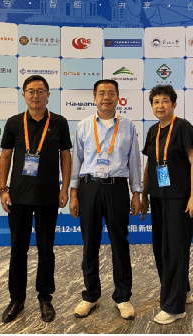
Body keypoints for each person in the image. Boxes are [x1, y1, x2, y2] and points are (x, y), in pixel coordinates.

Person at [0, 75, 72, 323]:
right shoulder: (14, 123)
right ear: (24, 95)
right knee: (18, 250)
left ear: (48, 95)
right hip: (18, 196)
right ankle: (16, 299)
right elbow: (5, 156)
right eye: (31, 91)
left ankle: (45, 298)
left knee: (46, 250)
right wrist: (3, 189)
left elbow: (65, 156)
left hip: (48, 196)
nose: (36, 95)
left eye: (41, 91)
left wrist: (64, 188)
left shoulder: (59, 122)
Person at [69, 79, 142, 321]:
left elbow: (134, 161)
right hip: (89, 187)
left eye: (111, 93)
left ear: (118, 98)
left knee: (119, 242)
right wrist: (73, 193)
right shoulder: (83, 126)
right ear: (94, 98)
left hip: (117, 188)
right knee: (89, 242)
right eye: (101, 93)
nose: (106, 97)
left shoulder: (128, 126)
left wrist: (136, 192)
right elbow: (77, 161)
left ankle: (123, 297)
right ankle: (91, 295)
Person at [141, 85, 193, 325]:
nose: (160, 105)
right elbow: (150, 164)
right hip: (158, 198)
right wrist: (144, 194)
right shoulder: (153, 130)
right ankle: (182, 291)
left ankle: (174, 307)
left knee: (175, 250)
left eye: (165, 101)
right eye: (156, 101)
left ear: (174, 105)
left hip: (180, 199)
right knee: (162, 249)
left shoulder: (183, 127)